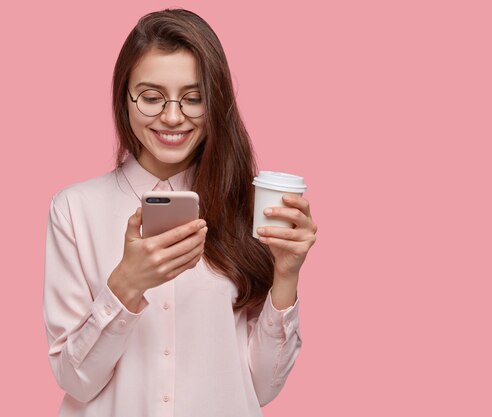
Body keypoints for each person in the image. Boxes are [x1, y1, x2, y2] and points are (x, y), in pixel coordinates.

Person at [43, 8, 316, 417]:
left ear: (216, 100)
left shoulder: (248, 204)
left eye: (193, 98)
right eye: (152, 98)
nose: (172, 117)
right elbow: (75, 380)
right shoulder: (74, 209)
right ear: (124, 98)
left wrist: (287, 275)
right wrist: (126, 286)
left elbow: (260, 387)